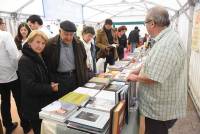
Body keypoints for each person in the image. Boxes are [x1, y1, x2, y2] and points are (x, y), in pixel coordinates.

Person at [127, 6, 187, 134]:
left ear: (152, 23)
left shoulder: (166, 44)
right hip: (161, 106)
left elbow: (153, 77)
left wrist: (135, 78)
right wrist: (138, 70)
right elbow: (153, 62)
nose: (146, 27)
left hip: (160, 110)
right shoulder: (166, 38)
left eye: (146, 24)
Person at [18, 30, 59, 134]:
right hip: (33, 106)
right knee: (39, 130)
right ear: (29, 42)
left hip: (41, 102)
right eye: (37, 42)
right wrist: (50, 88)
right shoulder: (25, 60)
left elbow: (40, 77)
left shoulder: (37, 56)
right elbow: (29, 86)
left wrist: (49, 84)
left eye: (43, 43)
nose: (40, 45)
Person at [43, 20, 88, 99]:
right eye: (66, 34)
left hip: (75, 78)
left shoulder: (79, 44)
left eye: (71, 34)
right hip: (59, 80)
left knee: (77, 100)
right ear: (60, 31)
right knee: (62, 103)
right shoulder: (50, 44)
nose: (69, 37)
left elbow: (83, 60)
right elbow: (46, 64)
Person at [0, 17, 20, 134]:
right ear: (1, 24)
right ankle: (26, 125)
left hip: (0, 77)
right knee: (19, 100)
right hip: (12, 74)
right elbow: (14, 55)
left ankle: (8, 126)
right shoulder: (5, 35)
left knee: (4, 101)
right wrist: (17, 69)